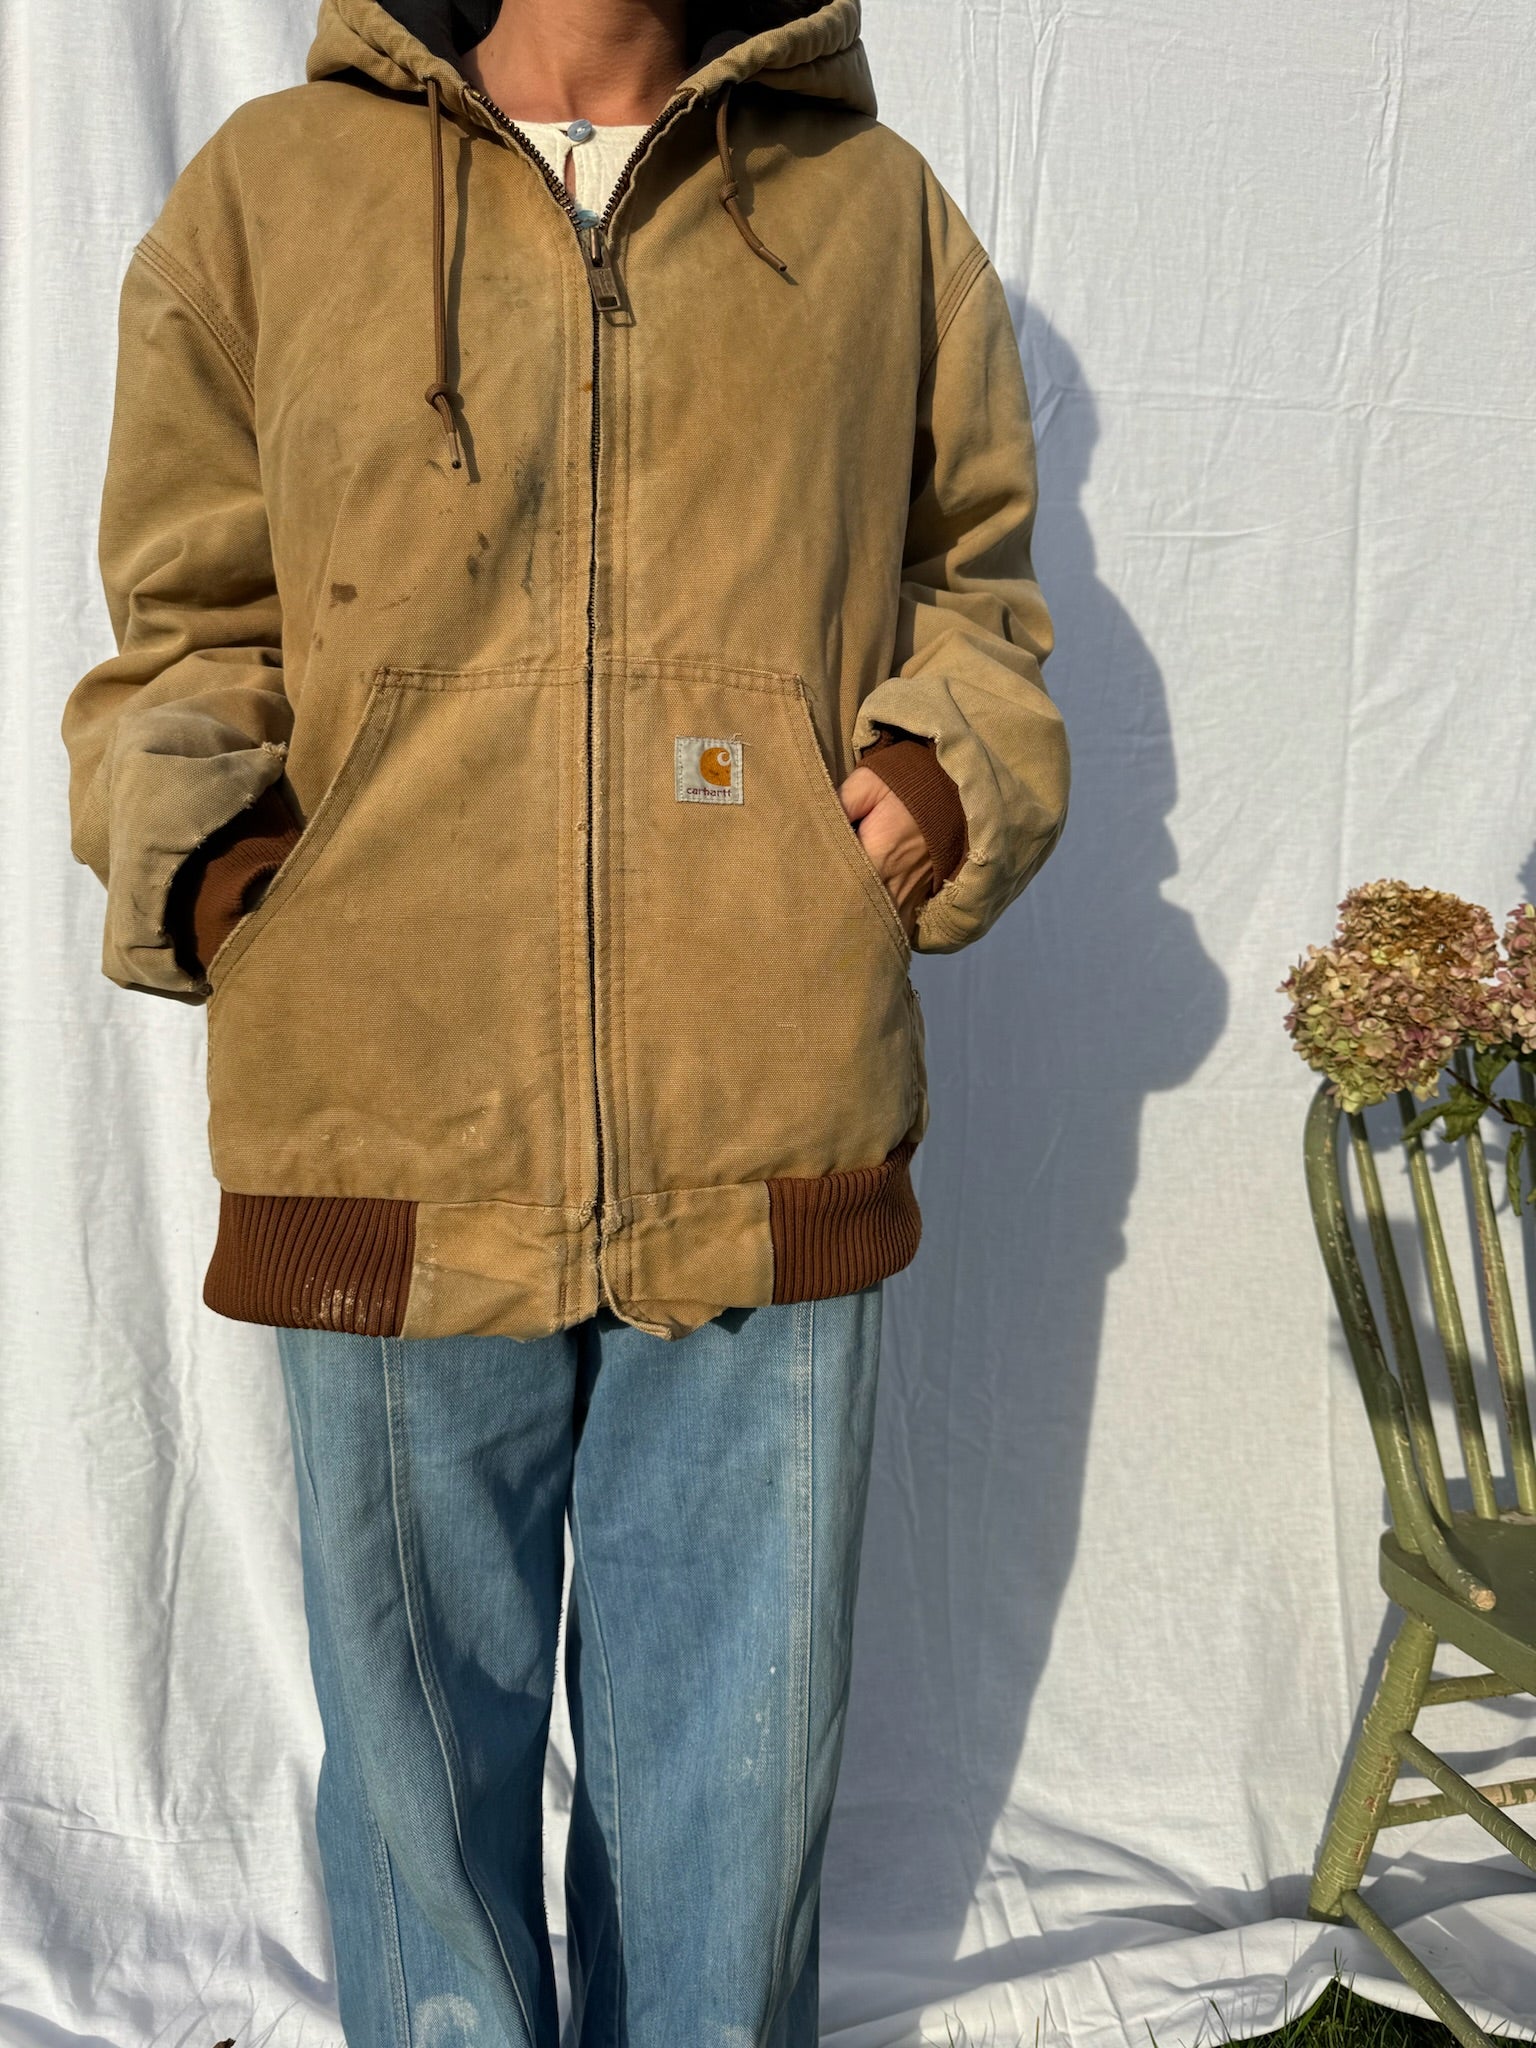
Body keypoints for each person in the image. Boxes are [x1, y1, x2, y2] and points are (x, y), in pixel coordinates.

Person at [60, 0, 1071, 2041]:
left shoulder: (869, 212)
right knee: (419, 1778)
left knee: (736, 1784)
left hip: (766, 1088)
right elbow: (184, 617)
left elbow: (978, 580)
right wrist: (241, 872)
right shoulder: (268, 199)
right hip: (384, 1098)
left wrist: (942, 771)